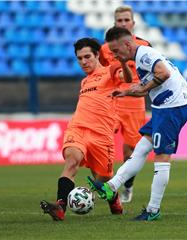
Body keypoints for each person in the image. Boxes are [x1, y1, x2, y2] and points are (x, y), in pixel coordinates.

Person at [87, 27, 187, 221]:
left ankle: (153, 210)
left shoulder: (144, 54)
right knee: (141, 149)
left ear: (127, 44)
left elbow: (164, 73)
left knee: (161, 157)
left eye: (116, 51)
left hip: (171, 108)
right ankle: (111, 187)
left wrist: (141, 87)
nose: (116, 56)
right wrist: (127, 92)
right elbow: (146, 88)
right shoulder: (139, 57)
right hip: (164, 107)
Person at [40, 38, 129, 221]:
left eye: (87, 57)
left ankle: (113, 197)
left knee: (102, 180)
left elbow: (126, 78)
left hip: (102, 136)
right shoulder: (84, 82)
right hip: (78, 128)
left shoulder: (110, 72)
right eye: (79, 58)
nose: (83, 61)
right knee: (71, 161)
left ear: (97, 55)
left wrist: (122, 63)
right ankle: (60, 207)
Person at [99, 5, 151, 203]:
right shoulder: (105, 49)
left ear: (133, 23)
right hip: (111, 101)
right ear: (115, 23)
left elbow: (151, 72)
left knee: (130, 150)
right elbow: (102, 74)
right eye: (119, 21)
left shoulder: (144, 45)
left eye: (126, 20)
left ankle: (127, 185)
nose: (123, 23)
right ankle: (103, 182)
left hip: (134, 103)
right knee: (102, 143)